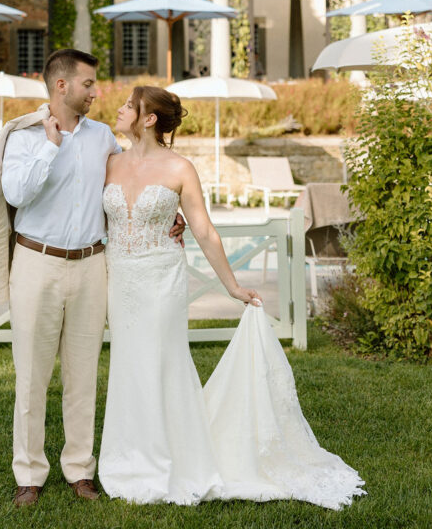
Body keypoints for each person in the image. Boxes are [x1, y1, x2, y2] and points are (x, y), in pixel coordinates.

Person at [99, 85, 365, 509]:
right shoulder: (107, 161)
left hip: (160, 280)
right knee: (129, 365)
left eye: (129, 106)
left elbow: (203, 229)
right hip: (121, 279)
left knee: (161, 362)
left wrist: (232, 286)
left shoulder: (180, 167)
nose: (119, 109)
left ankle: (171, 458)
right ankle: (129, 457)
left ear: (149, 119)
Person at [0, 50, 183, 509]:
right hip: (36, 262)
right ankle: (29, 473)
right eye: (88, 84)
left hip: (91, 266)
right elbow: (16, 194)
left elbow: (136, 176)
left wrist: (168, 212)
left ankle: (80, 470)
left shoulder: (103, 136)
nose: (97, 92)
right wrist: (50, 146)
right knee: (32, 377)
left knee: (83, 377)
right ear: (62, 86)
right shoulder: (24, 136)